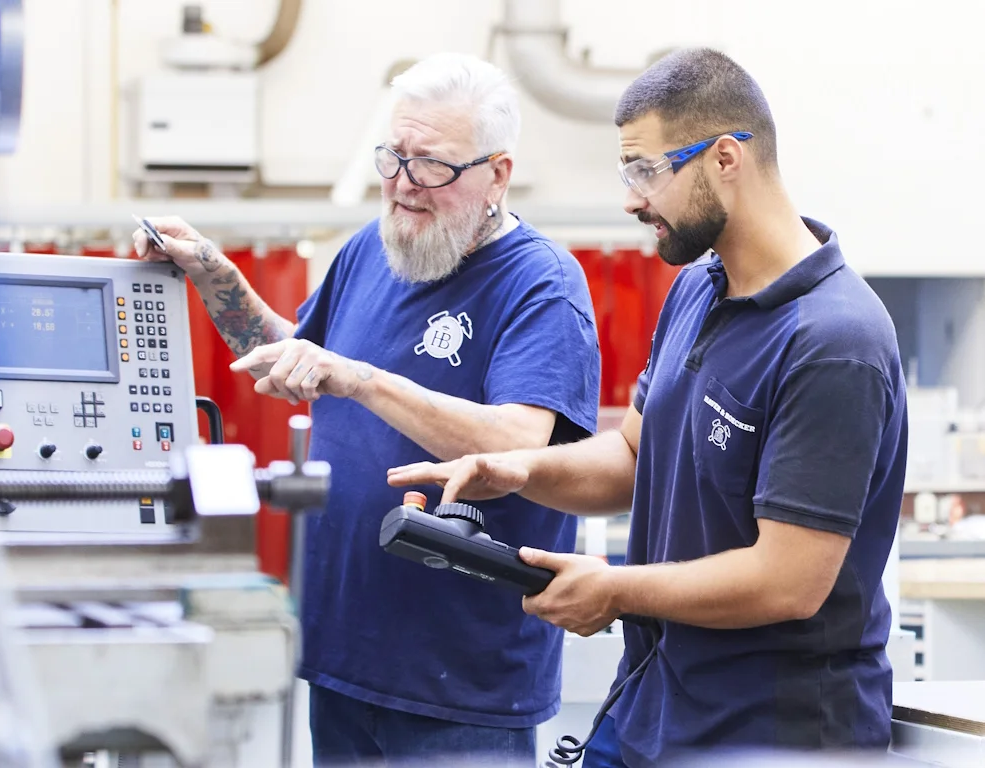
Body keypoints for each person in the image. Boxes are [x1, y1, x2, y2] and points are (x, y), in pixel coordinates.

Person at [389, 47, 908, 768]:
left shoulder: (833, 338)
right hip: (656, 708)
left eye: (647, 170)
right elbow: (635, 453)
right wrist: (516, 469)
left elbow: (789, 580)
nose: (632, 198)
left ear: (726, 157)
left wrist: (614, 591)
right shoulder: (698, 291)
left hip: (770, 736)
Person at [131, 53, 601, 766]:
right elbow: (300, 360)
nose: (404, 185)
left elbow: (518, 444)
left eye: (433, 166)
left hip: (459, 692)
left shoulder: (541, 286)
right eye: (394, 157)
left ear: (497, 174)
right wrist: (214, 274)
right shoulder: (372, 251)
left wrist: (360, 379)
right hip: (345, 660)